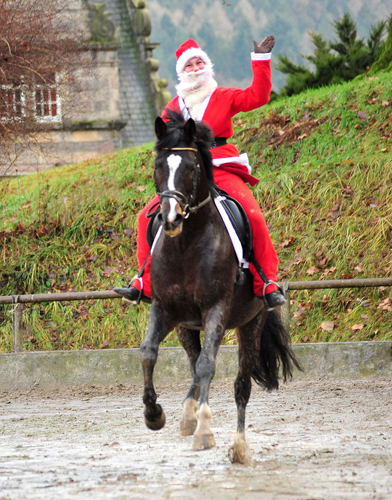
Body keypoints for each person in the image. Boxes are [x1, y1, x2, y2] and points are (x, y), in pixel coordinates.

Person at [115, 36, 285, 308]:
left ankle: (266, 281)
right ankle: (143, 282)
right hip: (185, 175)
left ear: (207, 66)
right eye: (189, 65)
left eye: (199, 63)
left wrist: (261, 60)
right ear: (182, 73)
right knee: (144, 218)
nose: (195, 68)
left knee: (252, 214)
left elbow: (259, 96)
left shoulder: (224, 96)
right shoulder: (172, 108)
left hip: (220, 167)